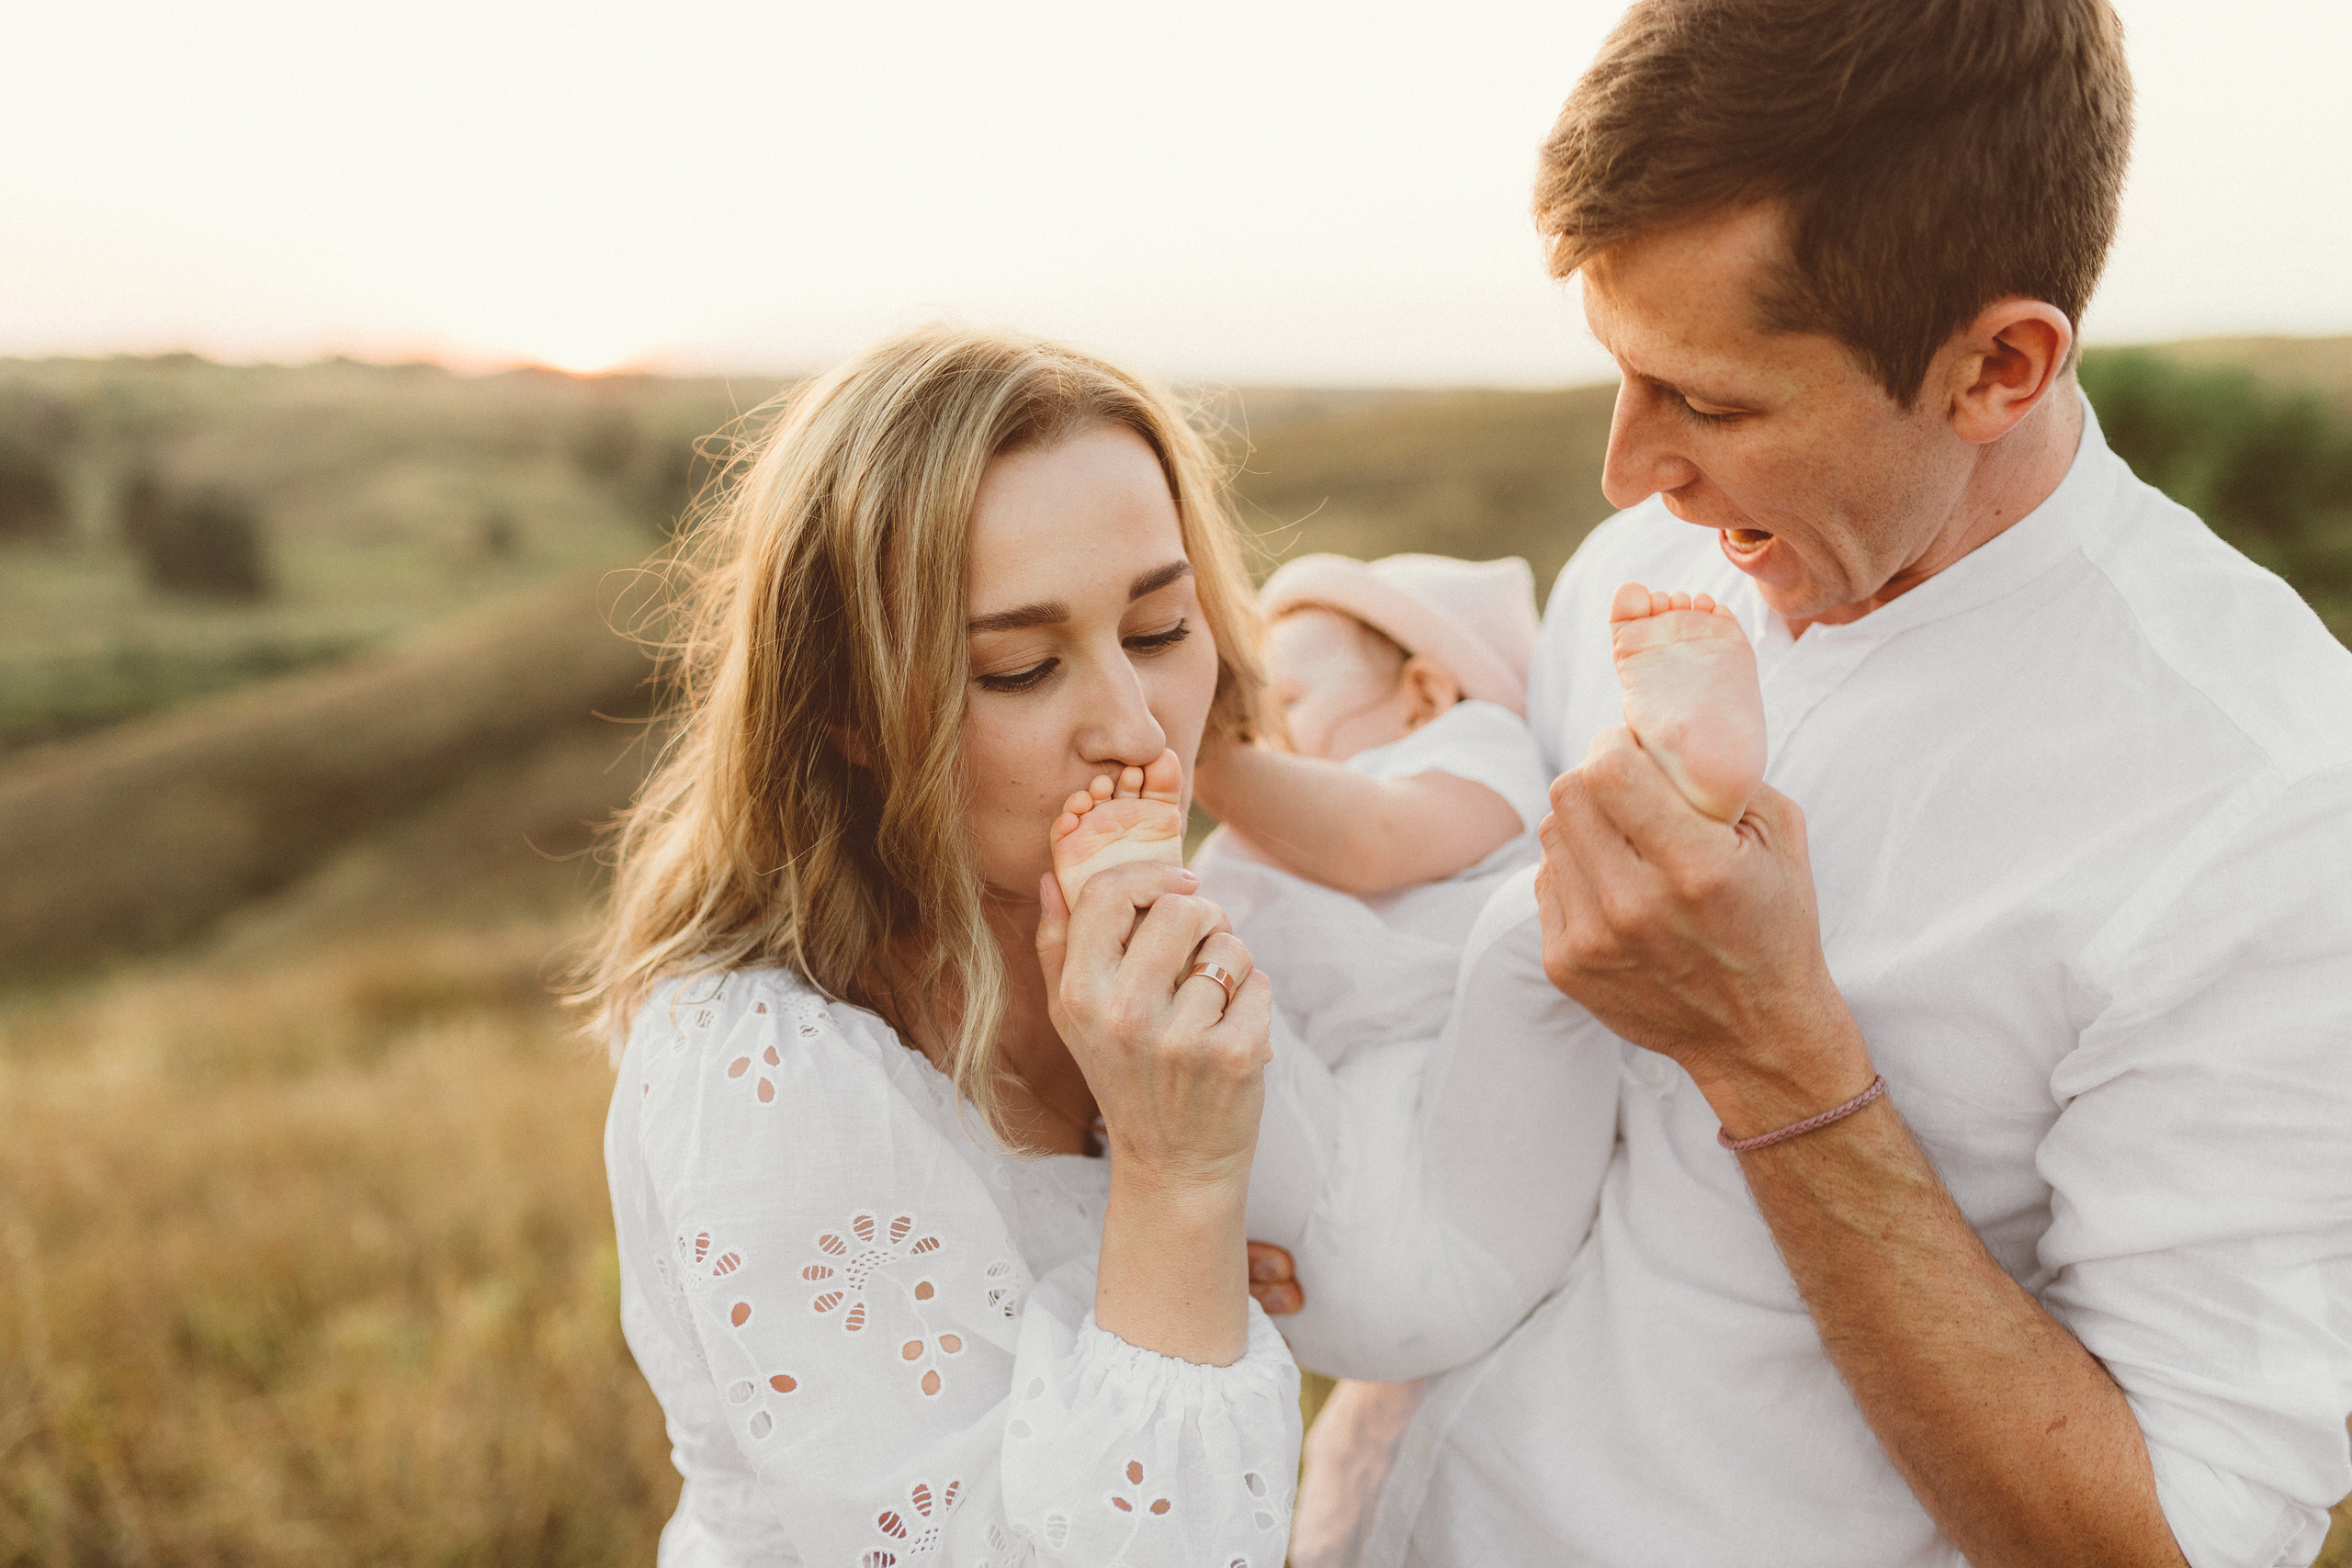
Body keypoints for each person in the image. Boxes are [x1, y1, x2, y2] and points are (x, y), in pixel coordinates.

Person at [1294, 2, 2352, 1565]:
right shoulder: (1652, 561)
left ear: (2000, 363)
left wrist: (1780, 1065)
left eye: (1713, 403)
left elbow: (2171, 1542)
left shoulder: (2268, 812)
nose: (1626, 468)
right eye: (1618, 370)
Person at [582, 324, 1308, 1566]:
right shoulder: (759, 1070)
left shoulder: (1196, 940)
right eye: (1019, 669)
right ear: (849, 714)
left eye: (1158, 628)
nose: (1136, 733)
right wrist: (1177, 1191)